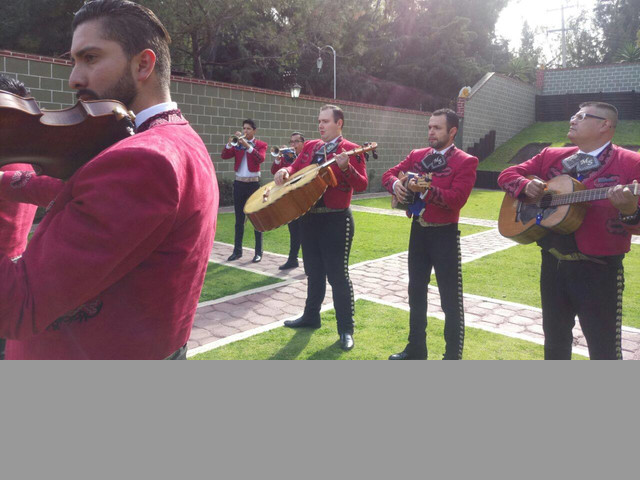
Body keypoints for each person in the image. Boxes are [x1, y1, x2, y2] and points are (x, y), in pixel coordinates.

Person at [0, 0, 218, 359]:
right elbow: (80, 195)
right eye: (74, 60)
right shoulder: (174, 139)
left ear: (143, 64)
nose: (74, 78)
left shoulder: (143, 159)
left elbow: (17, 305)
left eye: (90, 58)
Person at [498, 102, 640, 360]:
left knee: (604, 349)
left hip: (599, 271)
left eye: (581, 116)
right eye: (573, 115)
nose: (572, 120)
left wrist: (630, 211)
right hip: (552, 264)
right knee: (554, 344)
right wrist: (523, 186)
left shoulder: (632, 163)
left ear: (604, 125)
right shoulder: (550, 155)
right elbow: (508, 174)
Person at [382, 109, 478, 360]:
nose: (431, 132)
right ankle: (416, 349)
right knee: (415, 293)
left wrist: (424, 190)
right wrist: (397, 186)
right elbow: (388, 174)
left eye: (437, 128)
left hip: (445, 235)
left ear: (452, 131)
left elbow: (457, 200)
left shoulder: (466, 161)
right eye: (429, 127)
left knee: (450, 299)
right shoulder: (417, 155)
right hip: (419, 232)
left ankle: (452, 357)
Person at [274, 105, 367, 351]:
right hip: (309, 218)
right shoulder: (310, 146)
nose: (321, 125)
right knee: (313, 272)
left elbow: (363, 184)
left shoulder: (351, 149)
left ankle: (346, 329)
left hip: (336, 220)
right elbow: (295, 170)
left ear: (340, 123)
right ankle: (310, 316)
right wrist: (284, 170)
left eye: (326, 121)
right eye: (319, 121)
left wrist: (347, 167)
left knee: (338, 276)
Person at [221, 119, 267, 263]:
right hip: (239, 184)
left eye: (248, 129)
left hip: (253, 185)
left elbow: (260, 159)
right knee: (239, 220)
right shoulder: (237, 144)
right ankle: (237, 251)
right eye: (244, 128)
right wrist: (230, 143)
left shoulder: (261, 145)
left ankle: (258, 252)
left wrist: (248, 146)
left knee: (256, 219)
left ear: (254, 130)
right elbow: (224, 155)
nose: (245, 131)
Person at [270, 131, 305, 270]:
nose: (293, 144)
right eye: (291, 142)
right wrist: (279, 159)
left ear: (303, 143)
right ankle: (292, 259)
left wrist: (294, 158)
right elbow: (274, 171)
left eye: (296, 141)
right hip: (290, 198)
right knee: (293, 230)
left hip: (303, 196)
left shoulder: (305, 157)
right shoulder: (286, 157)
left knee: (306, 231)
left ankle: (309, 262)